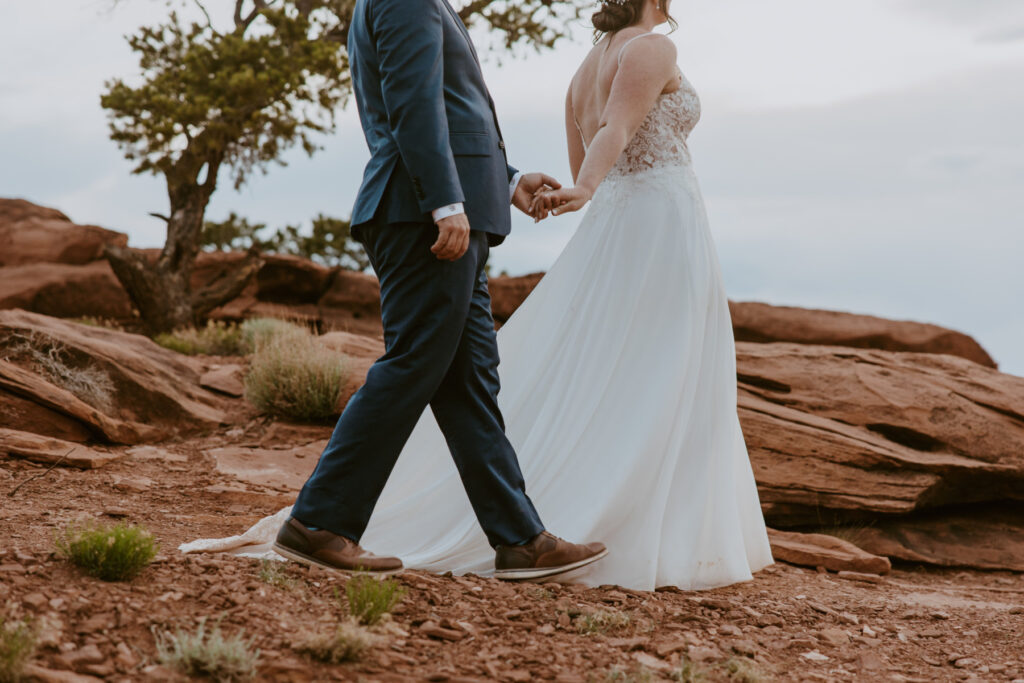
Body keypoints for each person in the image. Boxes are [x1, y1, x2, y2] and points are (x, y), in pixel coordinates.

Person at [182, 0, 774, 591]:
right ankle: (319, 522)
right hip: (425, 214)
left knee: (470, 382)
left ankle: (520, 540)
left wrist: (509, 181)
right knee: (415, 361)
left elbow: (454, 112)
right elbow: (413, 104)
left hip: (447, 207)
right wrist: (445, 202)